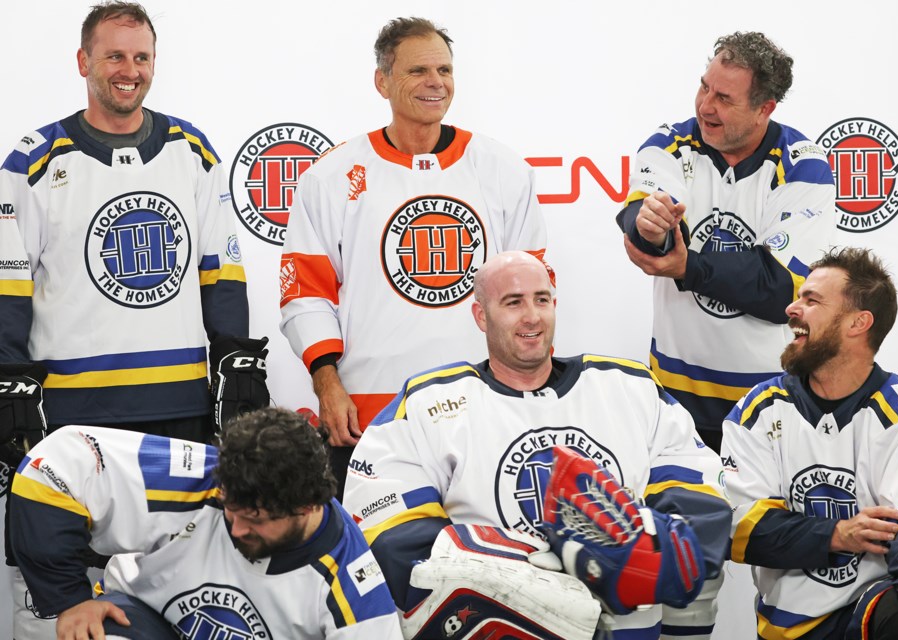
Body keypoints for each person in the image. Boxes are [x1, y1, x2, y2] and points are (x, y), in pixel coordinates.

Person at [0, 2, 268, 635]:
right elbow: (9, 287)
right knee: (67, 606)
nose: (129, 70)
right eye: (114, 55)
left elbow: (221, 273)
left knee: (180, 592)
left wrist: (236, 362)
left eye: (141, 57)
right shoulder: (33, 161)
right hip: (72, 422)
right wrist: (9, 381)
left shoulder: (192, 150)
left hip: (180, 417)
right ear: (83, 61)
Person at [342, 251, 731, 638]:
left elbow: (700, 493)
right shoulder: (428, 403)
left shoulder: (631, 387)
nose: (531, 316)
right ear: (481, 316)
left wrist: (658, 550)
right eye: (513, 302)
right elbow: (386, 530)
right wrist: (516, 573)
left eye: (541, 299)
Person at [280, 17, 550, 500]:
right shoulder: (331, 176)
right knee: (375, 562)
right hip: (371, 414)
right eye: (418, 71)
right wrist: (327, 385)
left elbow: (529, 294)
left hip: (483, 409)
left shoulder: (503, 169)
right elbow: (305, 293)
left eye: (445, 71)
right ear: (382, 81)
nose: (436, 83)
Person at [722, 247, 898, 639]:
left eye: (811, 300)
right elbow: (738, 527)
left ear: (858, 323)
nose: (791, 309)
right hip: (787, 626)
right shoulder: (757, 410)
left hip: (869, 608)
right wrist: (836, 533)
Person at [615, 31, 836, 454]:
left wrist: (685, 266)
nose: (705, 106)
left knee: (764, 522)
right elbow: (644, 230)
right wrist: (650, 229)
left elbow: (778, 292)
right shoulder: (669, 145)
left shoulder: (804, 168)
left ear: (764, 109)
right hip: (675, 406)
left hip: (771, 409)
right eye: (704, 86)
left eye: (724, 98)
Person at [8, 407, 402, 639]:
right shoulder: (198, 478)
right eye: (231, 508)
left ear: (306, 508)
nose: (237, 529)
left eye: (256, 519)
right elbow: (54, 465)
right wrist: (70, 601)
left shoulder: (353, 584)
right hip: (142, 618)